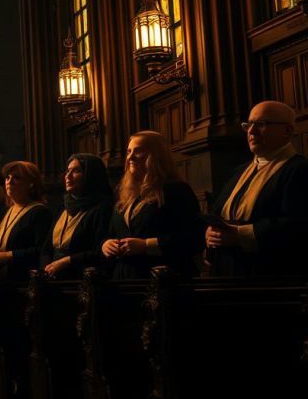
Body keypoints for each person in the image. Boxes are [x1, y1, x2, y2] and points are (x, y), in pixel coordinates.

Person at [206, 101, 308, 276]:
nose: (251, 132)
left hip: (268, 275)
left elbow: (299, 224)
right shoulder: (240, 171)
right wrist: (211, 233)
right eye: (248, 125)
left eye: (261, 124)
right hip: (227, 272)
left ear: (288, 130)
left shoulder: (299, 169)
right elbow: (219, 213)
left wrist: (242, 235)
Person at [101, 131, 201, 279]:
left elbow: (194, 238)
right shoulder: (125, 195)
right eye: (129, 151)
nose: (130, 157)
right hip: (124, 279)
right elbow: (111, 233)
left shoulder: (176, 190)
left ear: (156, 155)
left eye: (138, 151)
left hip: (162, 279)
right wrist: (106, 244)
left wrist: (146, 245)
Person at [40, 154, 114, 280]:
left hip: (83, 279)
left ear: (91, 175)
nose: (68, 176)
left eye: (76, 171)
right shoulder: (62, 208)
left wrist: (66, 262)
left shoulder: (102, 208)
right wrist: (47, 267)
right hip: (54, 278)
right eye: (67, 171)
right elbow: (47, 248)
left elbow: (100, 250)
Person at [0, 161, 52, 281]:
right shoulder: (4, 212)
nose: (9, 181)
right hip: (1, 280)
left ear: (31, 183)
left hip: (25, 280)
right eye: (7, 177)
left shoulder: (39, 212)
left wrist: (9, 256)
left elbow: (43, 250)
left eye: (16, 177)